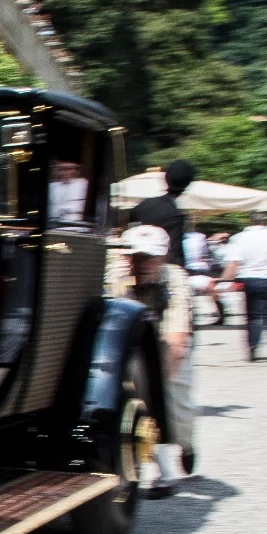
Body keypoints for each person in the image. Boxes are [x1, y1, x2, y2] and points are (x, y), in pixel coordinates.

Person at [121, 224, 194, 497]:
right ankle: (162, 470)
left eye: (149, 258)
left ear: (163, 257)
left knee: (176, 404)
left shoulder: (175, 280)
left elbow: (177, 339)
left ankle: (186, 446)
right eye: (135, 257)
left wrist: (156, 385)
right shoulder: (116, 276)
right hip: (134, 343)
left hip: (169, 341)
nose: (141, 264)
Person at [221, 211, 267, 360]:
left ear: (250, 221)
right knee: (265, 308)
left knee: (251, 314)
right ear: (264, 222)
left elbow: (233, 261)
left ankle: (252, 343)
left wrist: (225, 280)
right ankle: (266, 325)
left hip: (248, 278)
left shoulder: (239, 238)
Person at [130, 160, 193, 265]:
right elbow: (175, 254)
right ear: (187, 184)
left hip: (134, 264)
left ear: (166, 178)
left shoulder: (142, 205)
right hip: (158, 268)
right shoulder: (175, 216)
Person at [48, 160, 89, 229]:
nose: (66, 172)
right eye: (62, 169)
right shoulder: (52, 186)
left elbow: (77, 207)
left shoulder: (82, 183)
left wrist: (61, 209)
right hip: (54, 226)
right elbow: (51, 209)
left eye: (70, 169)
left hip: (74, 226)